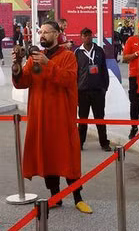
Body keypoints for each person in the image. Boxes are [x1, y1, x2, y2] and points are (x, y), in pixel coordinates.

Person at [10, 21, 91, 214]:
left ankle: (78, 197)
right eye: (41, 32)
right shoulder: (34, 58)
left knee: (69, 157)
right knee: (48, 157)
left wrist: (48, 64)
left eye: (47, 32)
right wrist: (17, 66)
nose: (43, 35)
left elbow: (68, 79)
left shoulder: (68, 56)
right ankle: (56, 196)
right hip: (41, 117)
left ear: (57, 34)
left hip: (62, 116)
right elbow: (23, 83)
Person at [75, 27, 112, 152]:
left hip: (98, 91)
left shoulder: (99, 51)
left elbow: (104, 70)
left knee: (100, 118)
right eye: (85, 35)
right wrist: (75, 90)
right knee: (82, 119)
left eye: (89, 35)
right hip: (82, 91)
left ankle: (104, 143)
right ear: (81, 37)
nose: (87, 37)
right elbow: (75, 73)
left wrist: (104, 88)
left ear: (92, 36)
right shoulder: (77, 53)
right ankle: (80, 142)